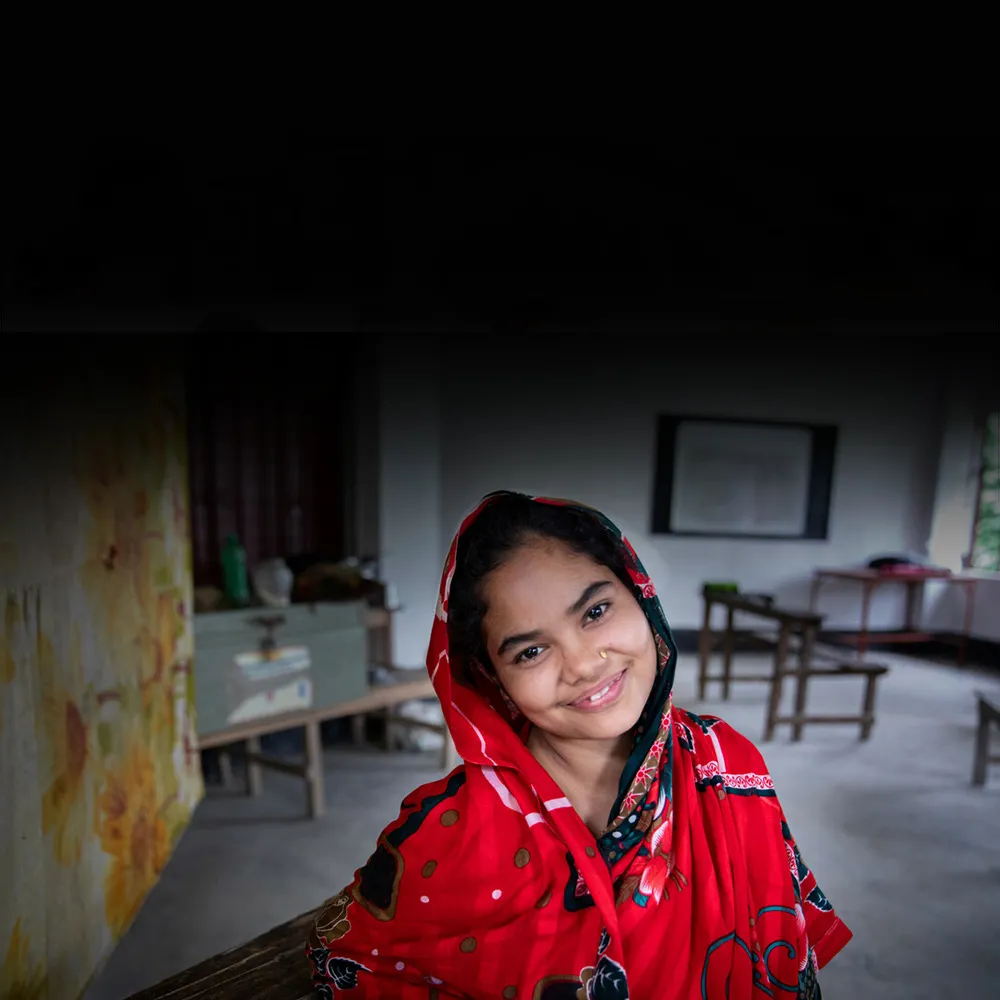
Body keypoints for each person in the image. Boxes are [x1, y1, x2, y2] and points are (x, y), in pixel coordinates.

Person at [306, 492, 852, 998]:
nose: (584, 664)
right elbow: (350, 957)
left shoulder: (727, 763)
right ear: (493, 680)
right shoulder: (448, 831)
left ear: (638, 594)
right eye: (530, 653)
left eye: (595, 612)